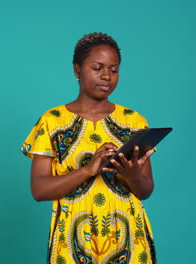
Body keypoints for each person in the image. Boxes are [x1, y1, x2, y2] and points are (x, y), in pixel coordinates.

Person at [21, 32, 157, 264]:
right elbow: (39, 190)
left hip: (128, 239)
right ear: (77, 71)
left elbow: (145, 191)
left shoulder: (134, 122)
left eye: (113, 70)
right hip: (72, 240)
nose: (106, 76)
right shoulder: (52, 122)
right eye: (97, 68)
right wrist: (87, 170)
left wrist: (132, 176)